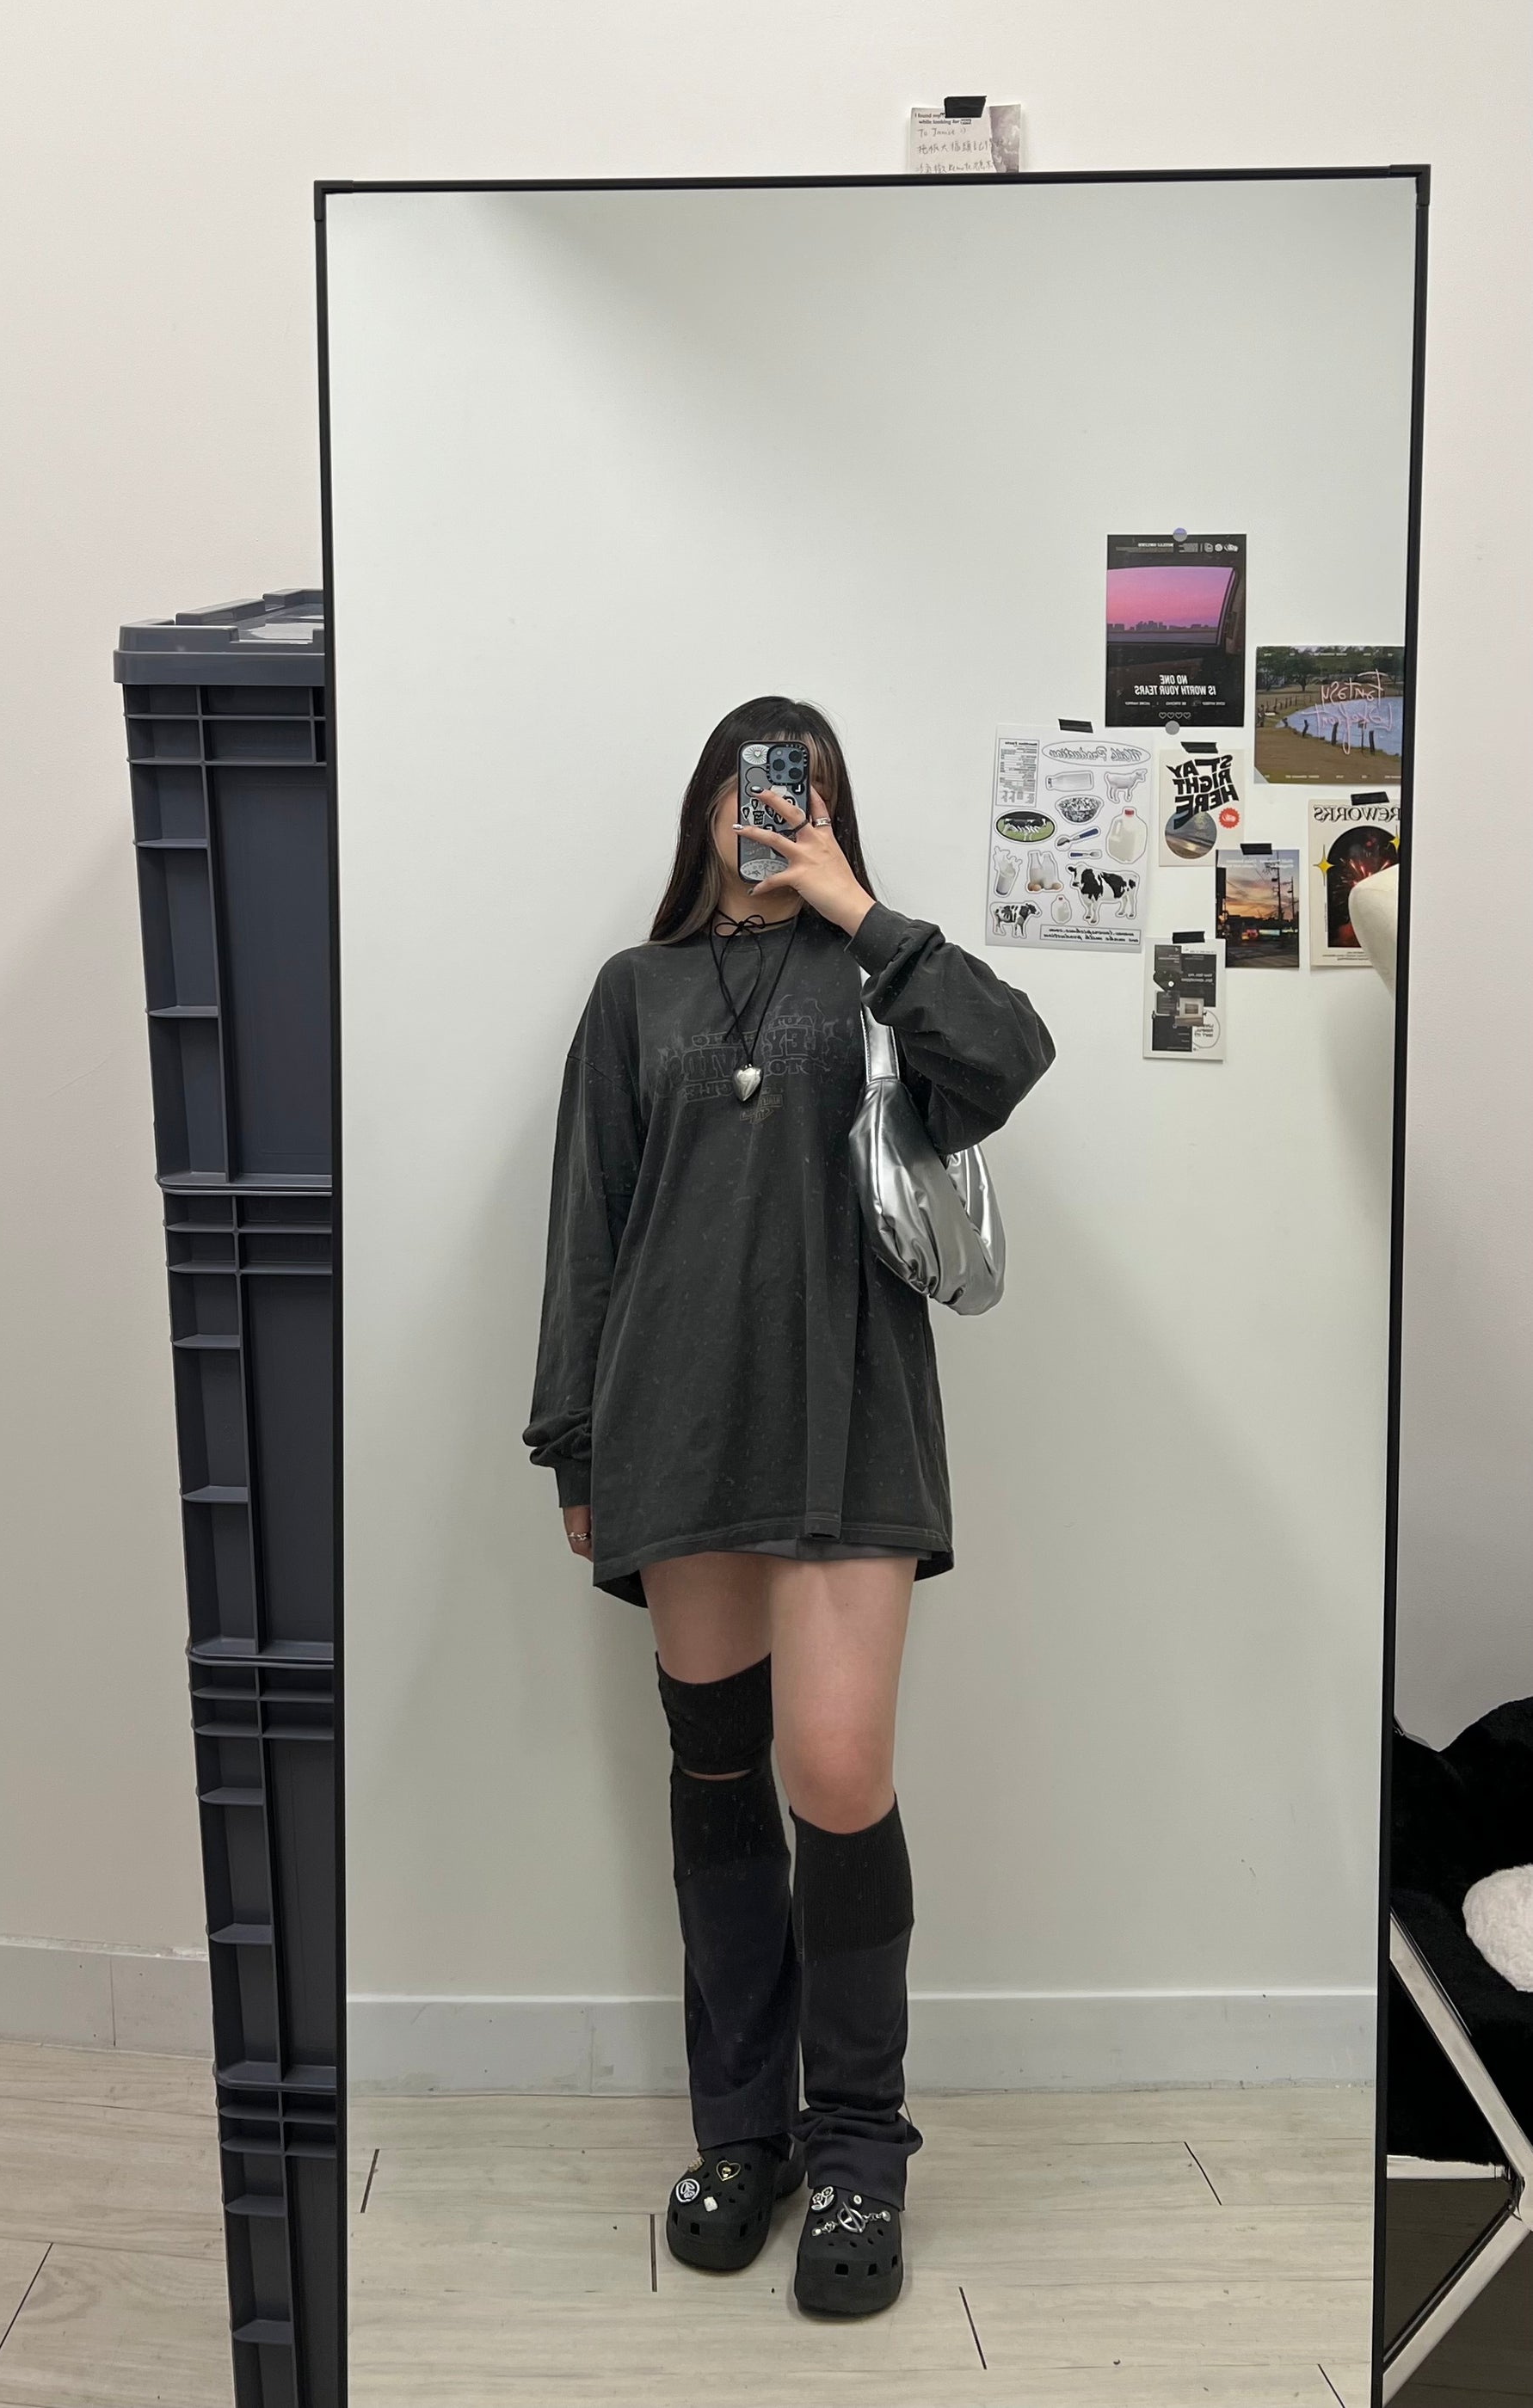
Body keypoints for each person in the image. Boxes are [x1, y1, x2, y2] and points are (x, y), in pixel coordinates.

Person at [525, 696, 1055, 2317]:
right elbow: (589, 1221)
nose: (770, 814)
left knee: (833, 1772)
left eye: (803, 792)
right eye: (753, 790)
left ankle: (858, 2152)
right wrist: (575, 1444)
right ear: (705, 806)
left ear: (827, 813)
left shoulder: (879, 974)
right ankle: (741, 2136)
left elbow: (1009, 1058)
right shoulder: (633, 992)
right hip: (672, 1424)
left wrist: (858, 909)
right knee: (714, 1773)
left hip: (847, 1419)